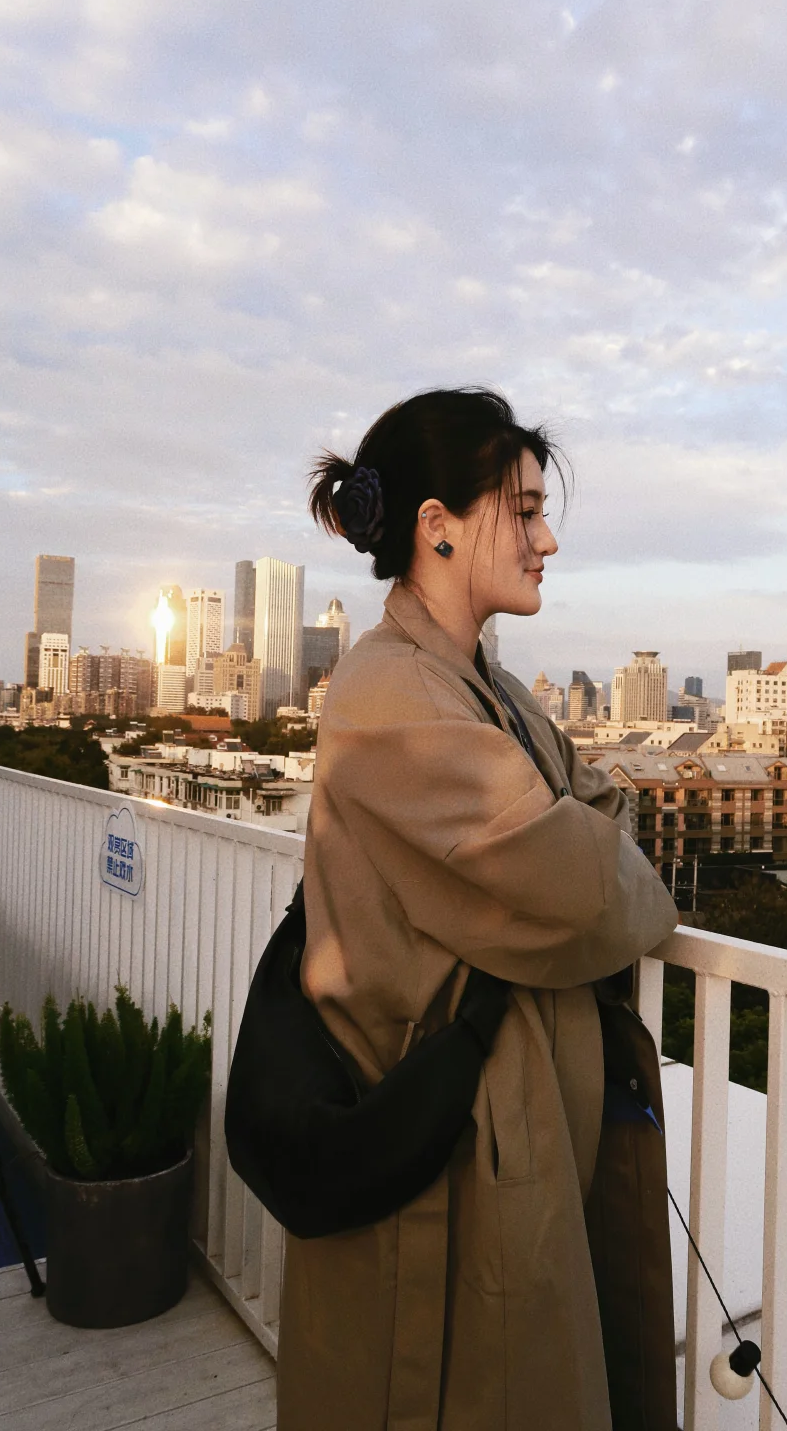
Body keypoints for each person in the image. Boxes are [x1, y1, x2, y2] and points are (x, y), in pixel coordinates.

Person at [278, 387, 680, 1431]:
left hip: (515, 1126)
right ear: (438, 526)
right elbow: (585, 890)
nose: (548, 540)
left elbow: (606, 812)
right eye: (526, 511)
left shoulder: (482, 686)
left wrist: (598, 846)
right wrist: (614, 868)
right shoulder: (392, 694)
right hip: (457, 1155)